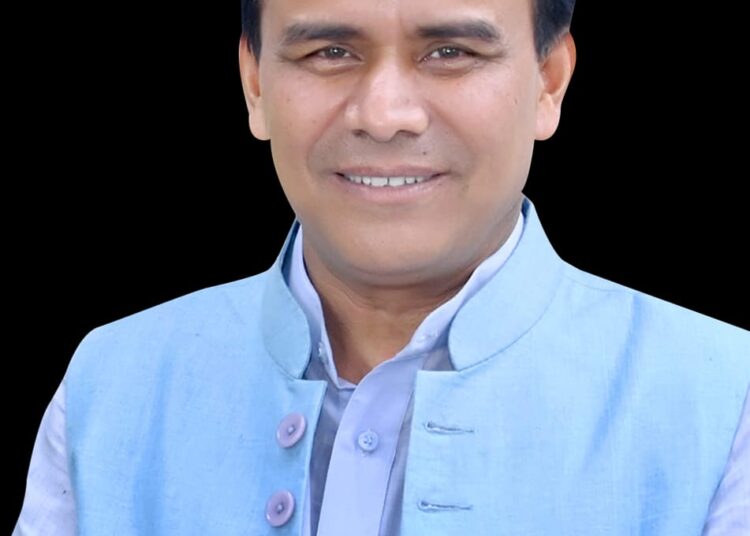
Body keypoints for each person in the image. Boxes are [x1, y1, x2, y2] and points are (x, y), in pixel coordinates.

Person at [13, 0, 749, 534]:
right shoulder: (115, 379)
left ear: (549, 81)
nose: (385, 114)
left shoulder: (726, 400)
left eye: (450, 52)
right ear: (255, 83)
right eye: (330, 52)